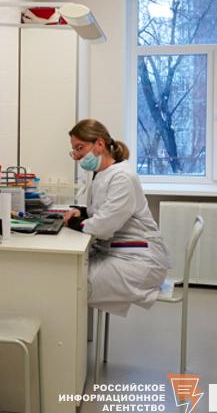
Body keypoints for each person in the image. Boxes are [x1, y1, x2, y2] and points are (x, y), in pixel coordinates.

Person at [63, 119, 170, 316]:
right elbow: (103, 210)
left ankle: (72, 335)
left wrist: (72, 222)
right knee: (70, 271)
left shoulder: (122, 177)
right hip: (119, 250)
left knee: (73, 282)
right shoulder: (102, 173)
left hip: (138, 260)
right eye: (74, 150)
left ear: (100, 144)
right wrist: (83, 212)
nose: (77, 156)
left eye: (80, 148)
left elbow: (103, 227)